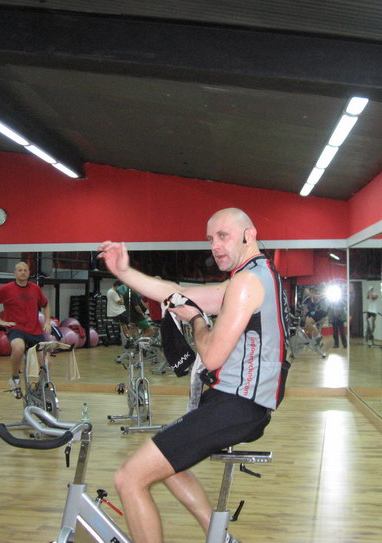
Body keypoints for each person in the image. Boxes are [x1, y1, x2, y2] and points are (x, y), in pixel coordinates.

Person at [97, 207, 289, 543]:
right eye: (211, 238)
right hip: (237, 404)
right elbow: (175, 291)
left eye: (223, 236)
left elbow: (211, 355)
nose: (215, 246)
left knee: (129, 478)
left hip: (237, 405)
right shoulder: (254, 275)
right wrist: (124, 271)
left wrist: (197, 320)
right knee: (170, 462)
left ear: (249, 235)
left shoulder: (246, 282)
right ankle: (220, 536)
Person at [0, 261, 51, 397]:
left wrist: (47, 321)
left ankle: (39, 387)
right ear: (15, 273)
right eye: (20, 270)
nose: (23, 272)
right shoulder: (6, 289)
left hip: (35, 330)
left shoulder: (35, 288)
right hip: (16, 328)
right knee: (18, 348)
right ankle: (14, 378)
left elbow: (46, 304)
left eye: (25, 270)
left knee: (47, 362)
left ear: (29, 273)